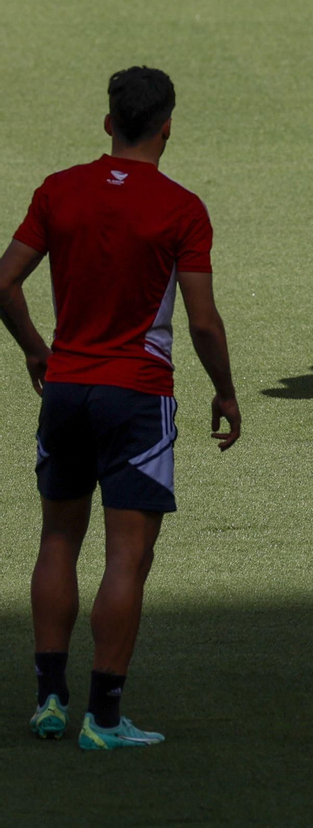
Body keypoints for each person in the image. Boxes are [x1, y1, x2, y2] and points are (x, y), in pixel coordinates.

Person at [0, 67, 241, 748]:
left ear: (109, 123)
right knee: (127, 558)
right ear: (167, 126)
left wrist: (35, 351)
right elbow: (202, 321)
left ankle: (49, 700)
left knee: (57, 540)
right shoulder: (181, 208)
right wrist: (223, 390)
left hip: (67, 389)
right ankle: (104, 720)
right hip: (135, 395)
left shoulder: (59, 190)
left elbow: (4, 281)